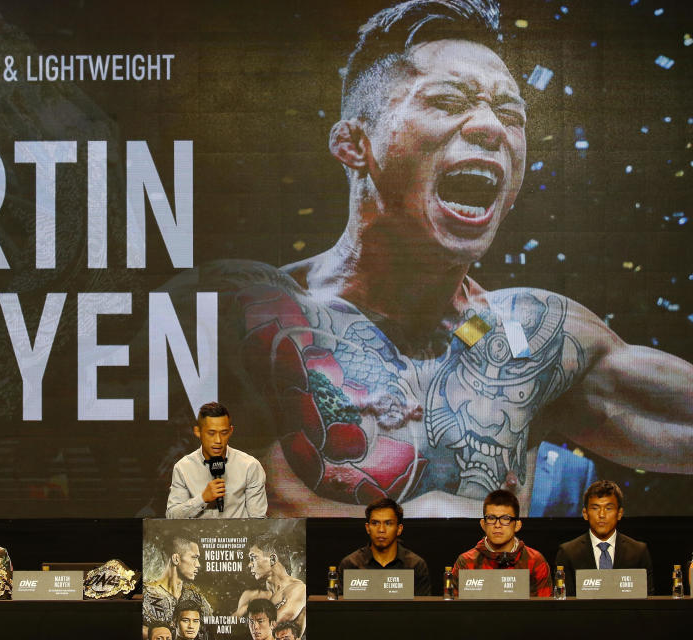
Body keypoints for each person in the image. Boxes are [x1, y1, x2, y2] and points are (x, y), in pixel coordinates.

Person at [181, 0, 693, 518]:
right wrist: (418, 524)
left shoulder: (539, 338)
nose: (492, 129)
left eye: (511, 115)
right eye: (449, 101)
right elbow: (174, 515)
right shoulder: (238, 310)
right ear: (354, 142)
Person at [166, 401, 268, 519]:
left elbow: (259, 522)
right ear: (197, 431)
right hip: (197, 537)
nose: (218, 440)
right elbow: (172, 516)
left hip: (237, 537)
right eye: (211, 433)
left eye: (224, 433)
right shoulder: (183, 467)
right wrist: (202, 499)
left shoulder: (250, 466)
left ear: (230, 431)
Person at [554, 480, 654, 596]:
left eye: (609, 508)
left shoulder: (638, 552)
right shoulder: (568, 553)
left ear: (619, 513)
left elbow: (648, 602)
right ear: (585, 513)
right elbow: (564, 605)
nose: (602, 515)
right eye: (595, 508)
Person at [452, 489, 551, 597]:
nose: (497, 525)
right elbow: (454, 610)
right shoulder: (466, 562)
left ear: (517, 525)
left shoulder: (535, 561)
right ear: (483, 524)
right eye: (491, 518)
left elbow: (545, 610)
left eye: (505, 519)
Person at [337, 497, 431, 596]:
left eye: (388, 523)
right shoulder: (350, 565)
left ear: (399, 529)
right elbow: (340, 609)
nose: (381, 529)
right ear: (368, 528)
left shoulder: (415, 565)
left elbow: (422, 610)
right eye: (375, 523)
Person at [143, 536, 213, 640]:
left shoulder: (198, 599)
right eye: (194, 557)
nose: (198, 565)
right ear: (176, 559)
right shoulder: (145, 594)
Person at [234, 535, 305, 634]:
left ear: (272, 559)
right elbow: (230, 626)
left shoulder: (297, 588)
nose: (249, 564)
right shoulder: (251, 595)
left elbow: (272, 625)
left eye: (253, 558)